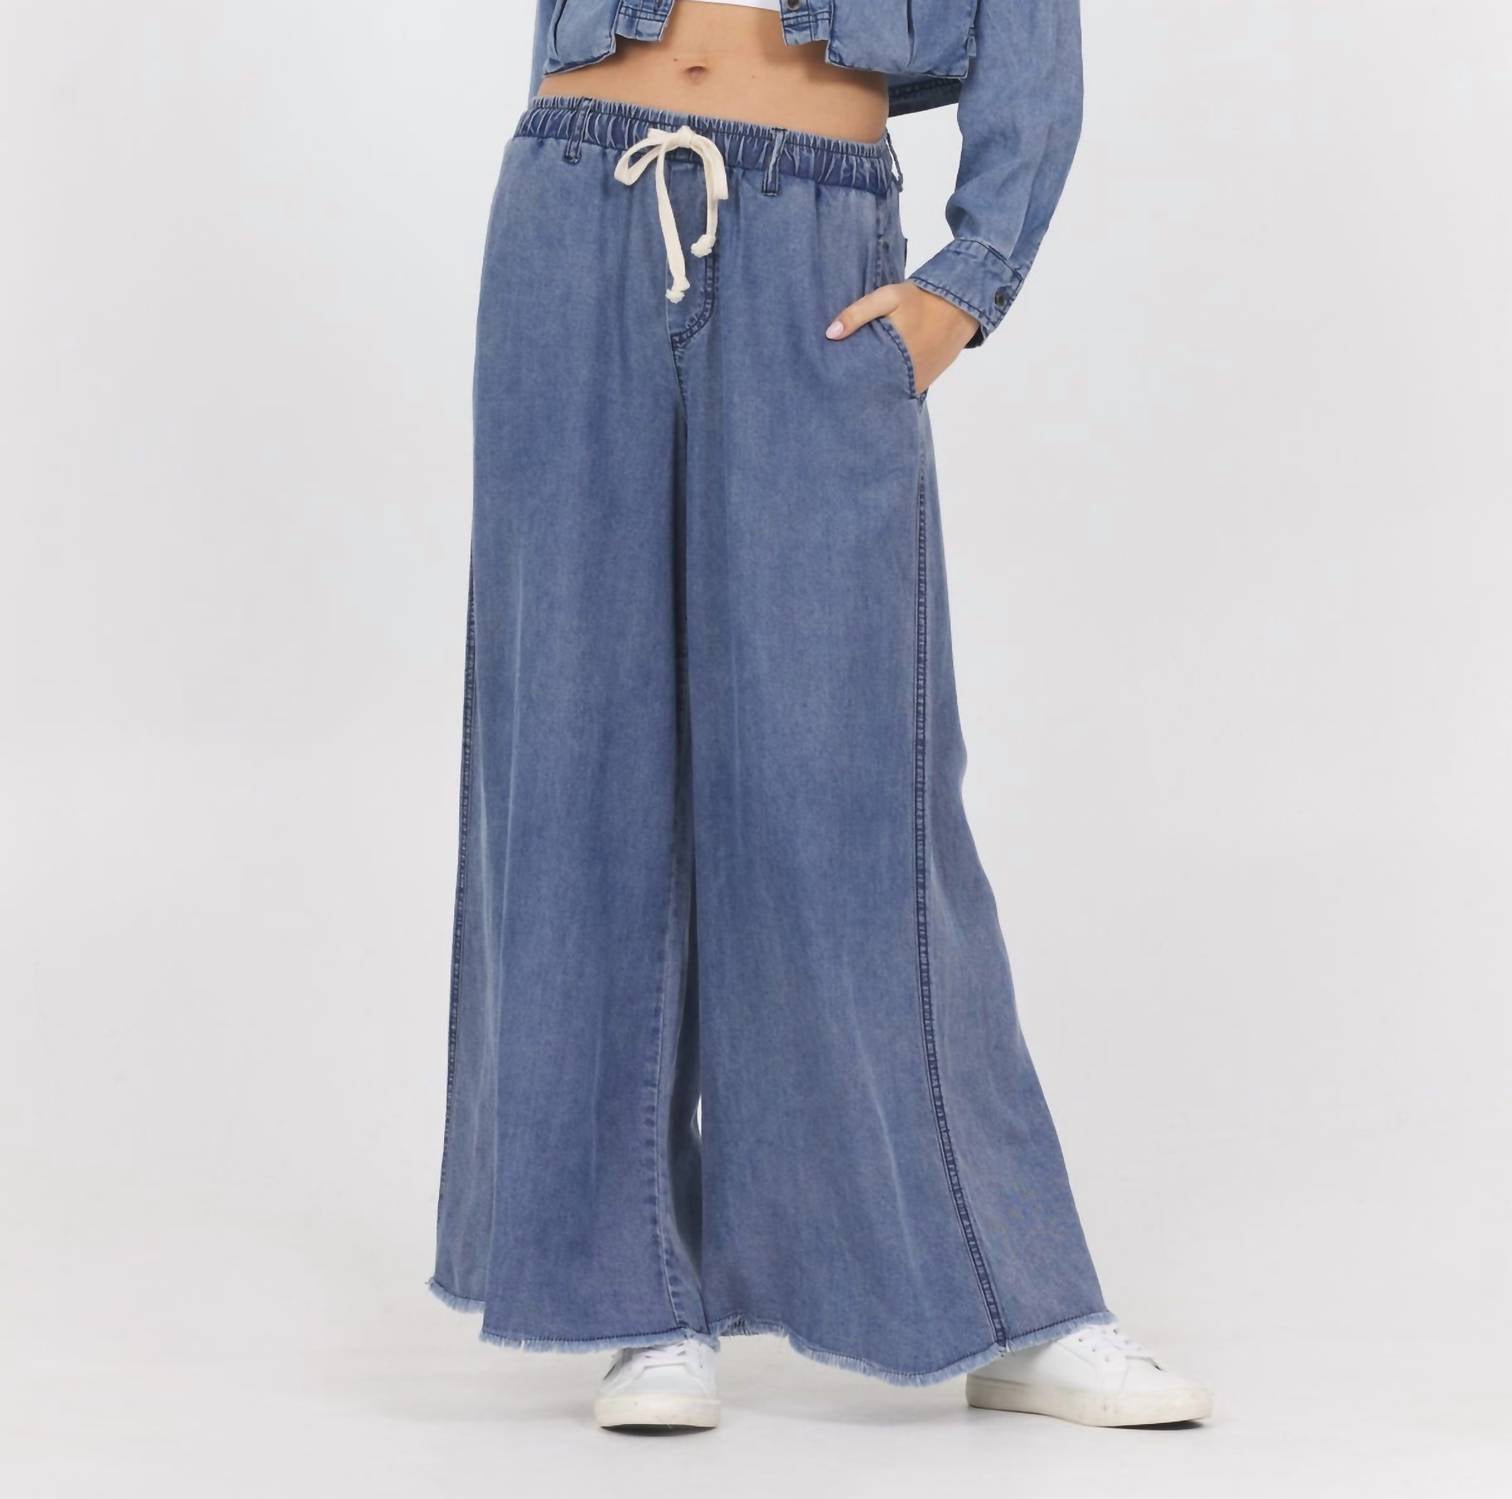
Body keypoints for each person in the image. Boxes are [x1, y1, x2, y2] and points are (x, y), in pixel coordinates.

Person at [428, 0, 1213, 1432]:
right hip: (574, 198)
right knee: (577, 757)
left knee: (849, 785)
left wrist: (969, 280)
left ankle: (1008, 1296)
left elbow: (1033, 45)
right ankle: (639, 1302)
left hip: (817, 240)